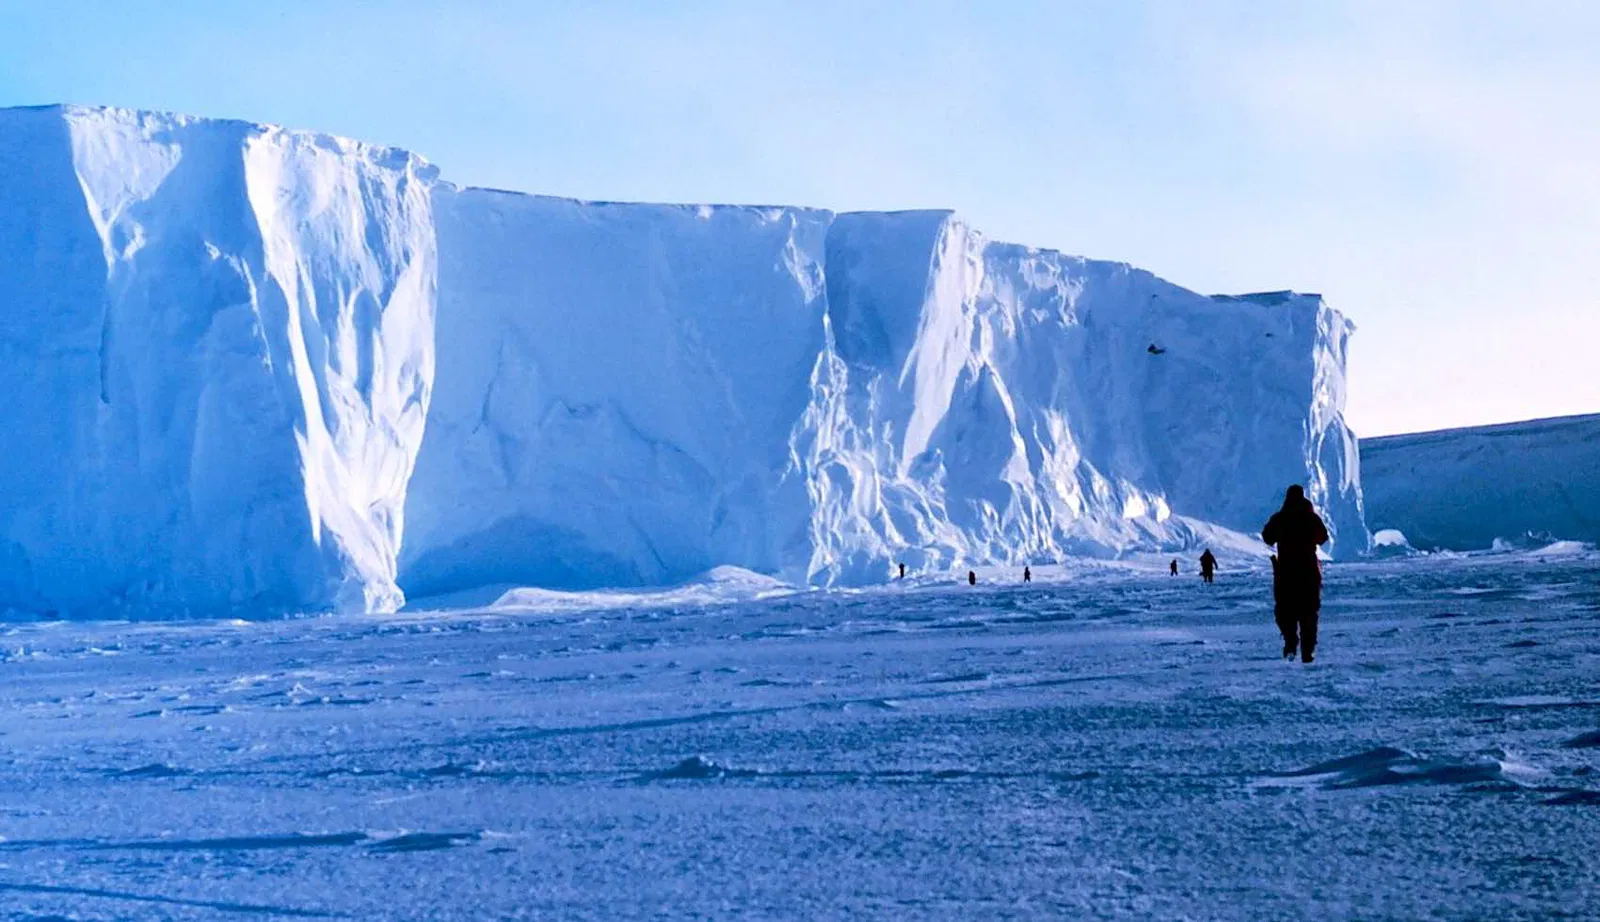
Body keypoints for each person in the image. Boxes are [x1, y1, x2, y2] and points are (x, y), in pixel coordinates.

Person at [1262, 484, 1330, 663]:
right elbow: (1323, 537)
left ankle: (1291, 643)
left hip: (1286, 572)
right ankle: (1308, 650)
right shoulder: (1311, 518)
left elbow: (1267, 537)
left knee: (1286, 611)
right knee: (1309, 612)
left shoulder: (1280, 518)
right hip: (1309, 572)